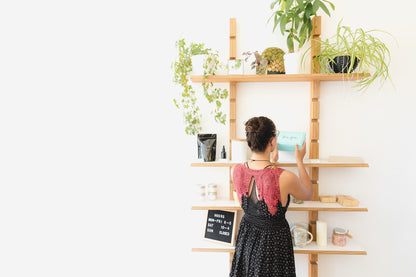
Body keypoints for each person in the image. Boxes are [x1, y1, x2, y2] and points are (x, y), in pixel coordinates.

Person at [229, 116, 313, 277]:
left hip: (247, 234)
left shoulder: (236, 170)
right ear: (273, 141)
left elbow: (259, 187)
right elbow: (308, 194)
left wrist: (272, 161)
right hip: (273, 241)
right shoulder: (285, 176)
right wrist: (299, 161)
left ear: (250, 141)